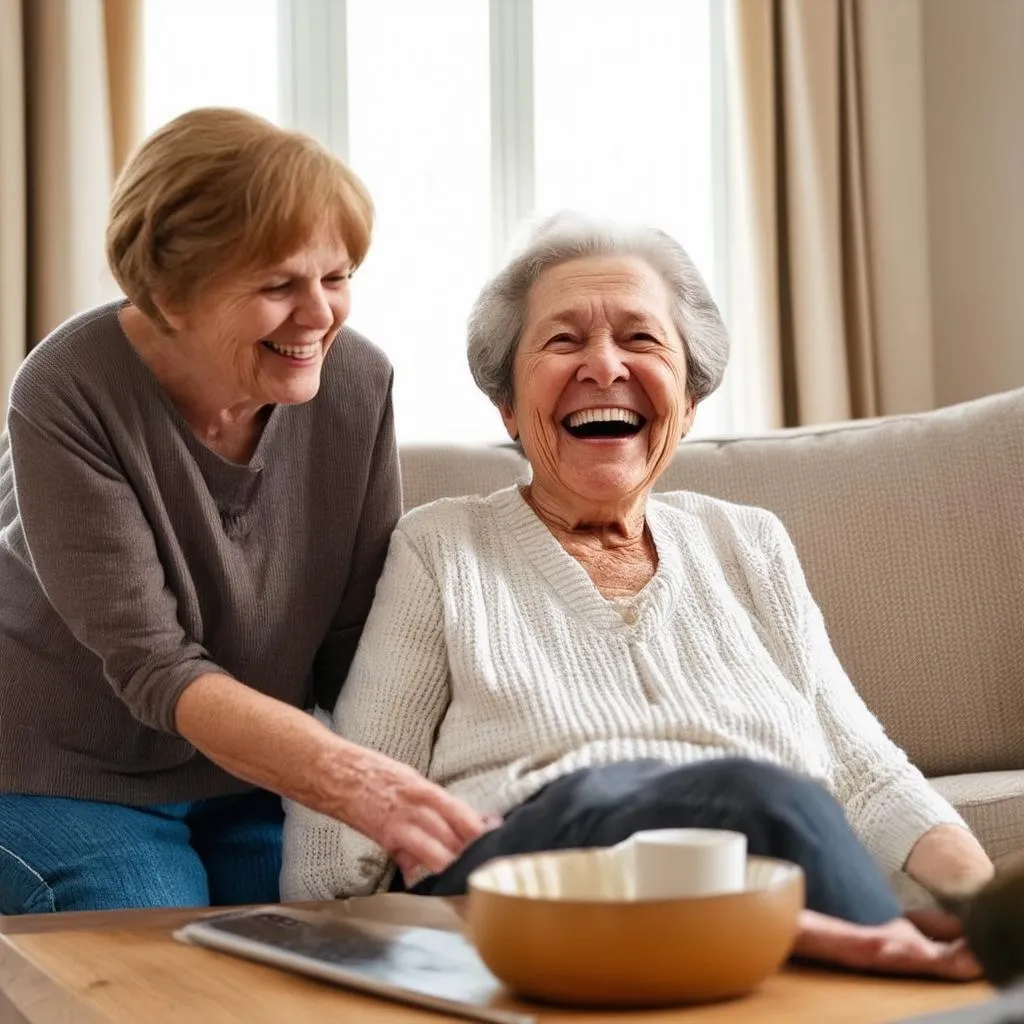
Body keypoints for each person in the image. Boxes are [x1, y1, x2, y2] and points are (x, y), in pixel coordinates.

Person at [283, 212, 995, 979]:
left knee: (777, 815)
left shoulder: (748, 543)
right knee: (768, 800)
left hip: (756, 874)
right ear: (510, 409)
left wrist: (994, 912)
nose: (603, 366)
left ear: (688, 401)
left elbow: (866, 774)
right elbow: (355, 794)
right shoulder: (443, 546)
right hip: (535, 867)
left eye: (641, 338)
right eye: (562, 341)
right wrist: (332, 935)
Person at [0, 108, 484, 914]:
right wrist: (352, 781)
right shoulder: (67, 390)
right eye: (277, 285)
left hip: (247, 777)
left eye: (337, 277)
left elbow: (357, 644)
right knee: (156, 928)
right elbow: (155, 665)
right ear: (168, 293)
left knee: (336, 932)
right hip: (56, 773)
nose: (320, 315)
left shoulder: (357, 384)